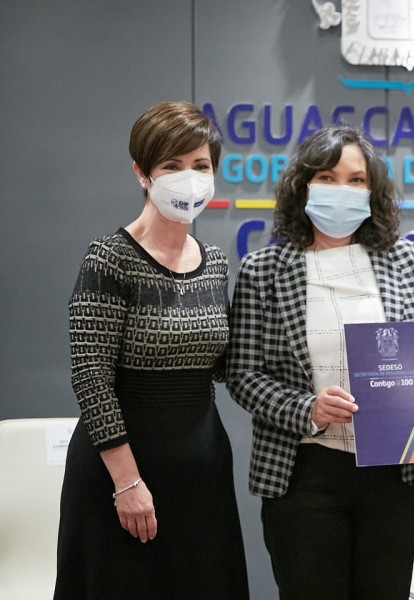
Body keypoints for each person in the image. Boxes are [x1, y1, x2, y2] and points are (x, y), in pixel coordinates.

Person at [225, 124, 414, 600]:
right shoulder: (263, 270)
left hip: (393, 476)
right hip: (303, 472)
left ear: (372, 190)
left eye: (356, 180)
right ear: (303, 187)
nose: (342, 189)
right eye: (327, 177)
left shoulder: (406, 261)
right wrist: (308, 408)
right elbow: (241, 374)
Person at [55, 101, 249, 599]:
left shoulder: (215, 262)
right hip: (121, 476)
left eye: (201, 166)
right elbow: (91, 378)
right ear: (142, 173)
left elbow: (225, 366)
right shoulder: (109, 258)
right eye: (172, 165)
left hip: (201, 471)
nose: (189, 178)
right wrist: (127, 483)